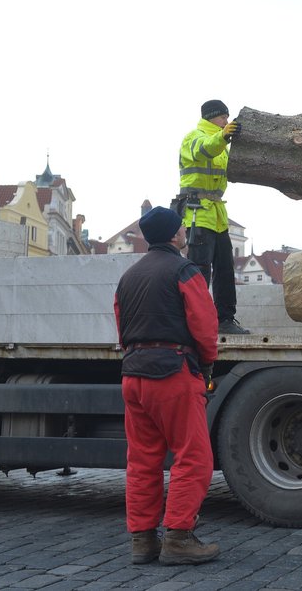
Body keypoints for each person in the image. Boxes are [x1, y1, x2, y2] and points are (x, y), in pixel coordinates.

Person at [114, 206, 221, 566]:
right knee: (193, 457)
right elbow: (205, 325)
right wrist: (205, 365)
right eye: (181, 230)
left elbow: (121, 325)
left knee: (142, 460)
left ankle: (142, 541)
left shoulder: (128, 277)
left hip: (134, 374)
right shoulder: (184, 270)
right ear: (175, 235)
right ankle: (178, 537)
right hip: (173, 373)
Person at [178, 99, 249, 335]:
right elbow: (205, 149)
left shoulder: (222, 142)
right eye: (223, 117)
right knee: (200, 270)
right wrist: (224, 136)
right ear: (212, 117)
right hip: (198, 213)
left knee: (225, 270)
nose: (226, 122)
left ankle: (225, 320)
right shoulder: (194, 138)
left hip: (216, 213)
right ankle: (194, 322)